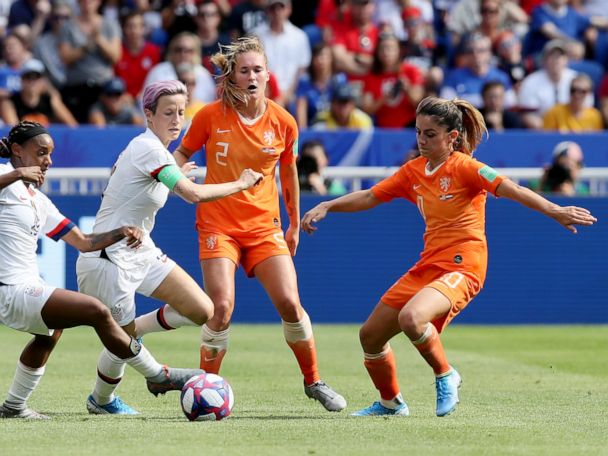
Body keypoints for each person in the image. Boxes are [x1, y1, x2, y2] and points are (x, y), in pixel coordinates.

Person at [301, 96, 596, 417]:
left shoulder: (466, 167)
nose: (421, 140)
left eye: (430, 134)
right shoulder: (414, 171)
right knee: (370, 336)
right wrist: (327, 204)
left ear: (451, 137)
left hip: (465, 265)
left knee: (412, 319)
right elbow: (371, 195)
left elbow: (511, 188)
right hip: (429, 265)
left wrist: (556, 210)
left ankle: (446, 375)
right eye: (418, 132)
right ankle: (390, 403)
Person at [171, 36, 347, 413]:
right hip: (218, 223)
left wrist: (294, 224)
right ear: (232, 77)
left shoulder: (283, 122)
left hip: (264, 227)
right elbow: (182, 152)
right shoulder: (209, 116)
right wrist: (178, 168)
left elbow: (289, 175)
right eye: (244, 70)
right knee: (220, 307)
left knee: (289, 302)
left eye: (257, 70)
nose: (251, 76)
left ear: (268, 75)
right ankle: (205, 388)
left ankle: (314, 380)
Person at [76, 80, 263, 415]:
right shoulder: (149, 149)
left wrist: (177, 170)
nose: (177, 120)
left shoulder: (155, 153)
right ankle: (105, 399)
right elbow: (192, 195)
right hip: (107, 259)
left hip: (139, 250)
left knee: (203, 310)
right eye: (167, 113)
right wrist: (242, 183)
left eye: (181, 112)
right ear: (148, 115)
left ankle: (134, 334)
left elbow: (129, 179)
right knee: (121, 343)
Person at [0, 121, 207, 420]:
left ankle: (14, 406)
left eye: (50, 154)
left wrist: (120, 232)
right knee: (96, 310)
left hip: (24, 286)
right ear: (17, 151)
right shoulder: (6, 178)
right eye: (41, 152)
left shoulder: (39, 202)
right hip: (9, 288)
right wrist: (17, 172)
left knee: (48, 334)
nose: (48, 161)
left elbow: (84, 242)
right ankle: (158, 375)